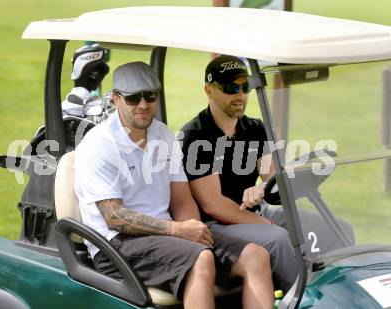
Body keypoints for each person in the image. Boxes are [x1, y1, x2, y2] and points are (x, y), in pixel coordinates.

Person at [75, 61, 275, 309]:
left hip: (166, 236)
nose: (143, 105)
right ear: (116, 98)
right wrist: (177, 231)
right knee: (200, 259)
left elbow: (181, 200)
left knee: (255, 256)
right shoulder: (99, 145)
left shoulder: (163, 136)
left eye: (150, 96)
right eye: (133, 98)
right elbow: (114, 217)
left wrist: (194, 229)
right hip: (116, 244)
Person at [180, 55, 298, 293]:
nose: (241, 95)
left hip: (252, 212)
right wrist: (262, 223)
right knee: (278, 238)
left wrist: (261, 188)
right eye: (231, 88)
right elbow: (213, 205)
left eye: (246, 87)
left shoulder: (254, 128)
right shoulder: (197, 136)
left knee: (326, 225)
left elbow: (272, 176)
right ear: (209, 90)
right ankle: (303, 299)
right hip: (215, 224)